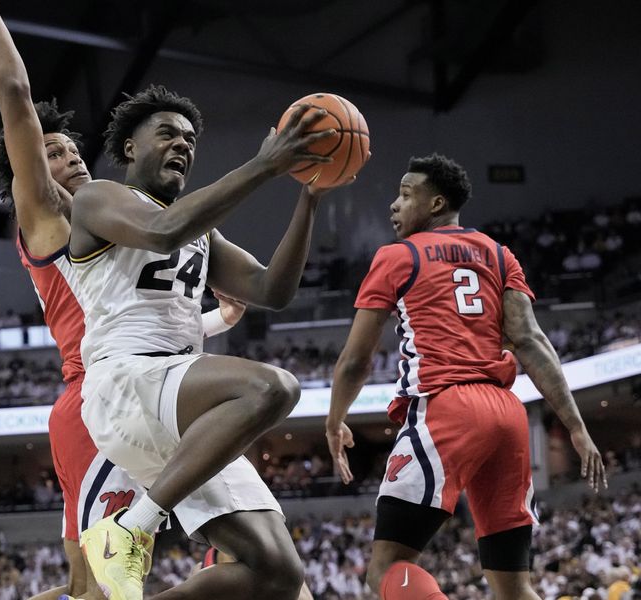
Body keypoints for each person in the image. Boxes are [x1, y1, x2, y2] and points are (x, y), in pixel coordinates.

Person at [0, 2, 246, 598]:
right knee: (109, 588)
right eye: (50, 152)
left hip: (112, 392)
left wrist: (216, 318)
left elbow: (132, 316)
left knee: (84, 588)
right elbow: (15, 91)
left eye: (72, 150)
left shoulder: (106, 223)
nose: (69, 157)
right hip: (101, 402)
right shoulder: (47, 220)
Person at [69, 85, 345, 600]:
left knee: (277, 574)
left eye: (191, 139)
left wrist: (307, 200)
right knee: (271, 389)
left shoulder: (202, 232)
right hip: (126, 381)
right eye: (168, 133)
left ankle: (133, 536)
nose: (183, 145)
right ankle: (133, 527)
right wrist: (263, 166)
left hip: (177, 407)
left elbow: (272, 291)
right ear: (130, 147)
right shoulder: (99, 197)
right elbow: (161, 232)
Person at [325, 154, 607, 600]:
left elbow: (356, 360)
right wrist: (575, 426)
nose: (393, 206)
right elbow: (531, 342)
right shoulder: (499, 255)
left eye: (404, 194)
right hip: (507, 415)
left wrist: (334, 418)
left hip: (446, 406)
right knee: (514, 588)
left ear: (436, 203)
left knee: (387, 568)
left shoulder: (397, 255)